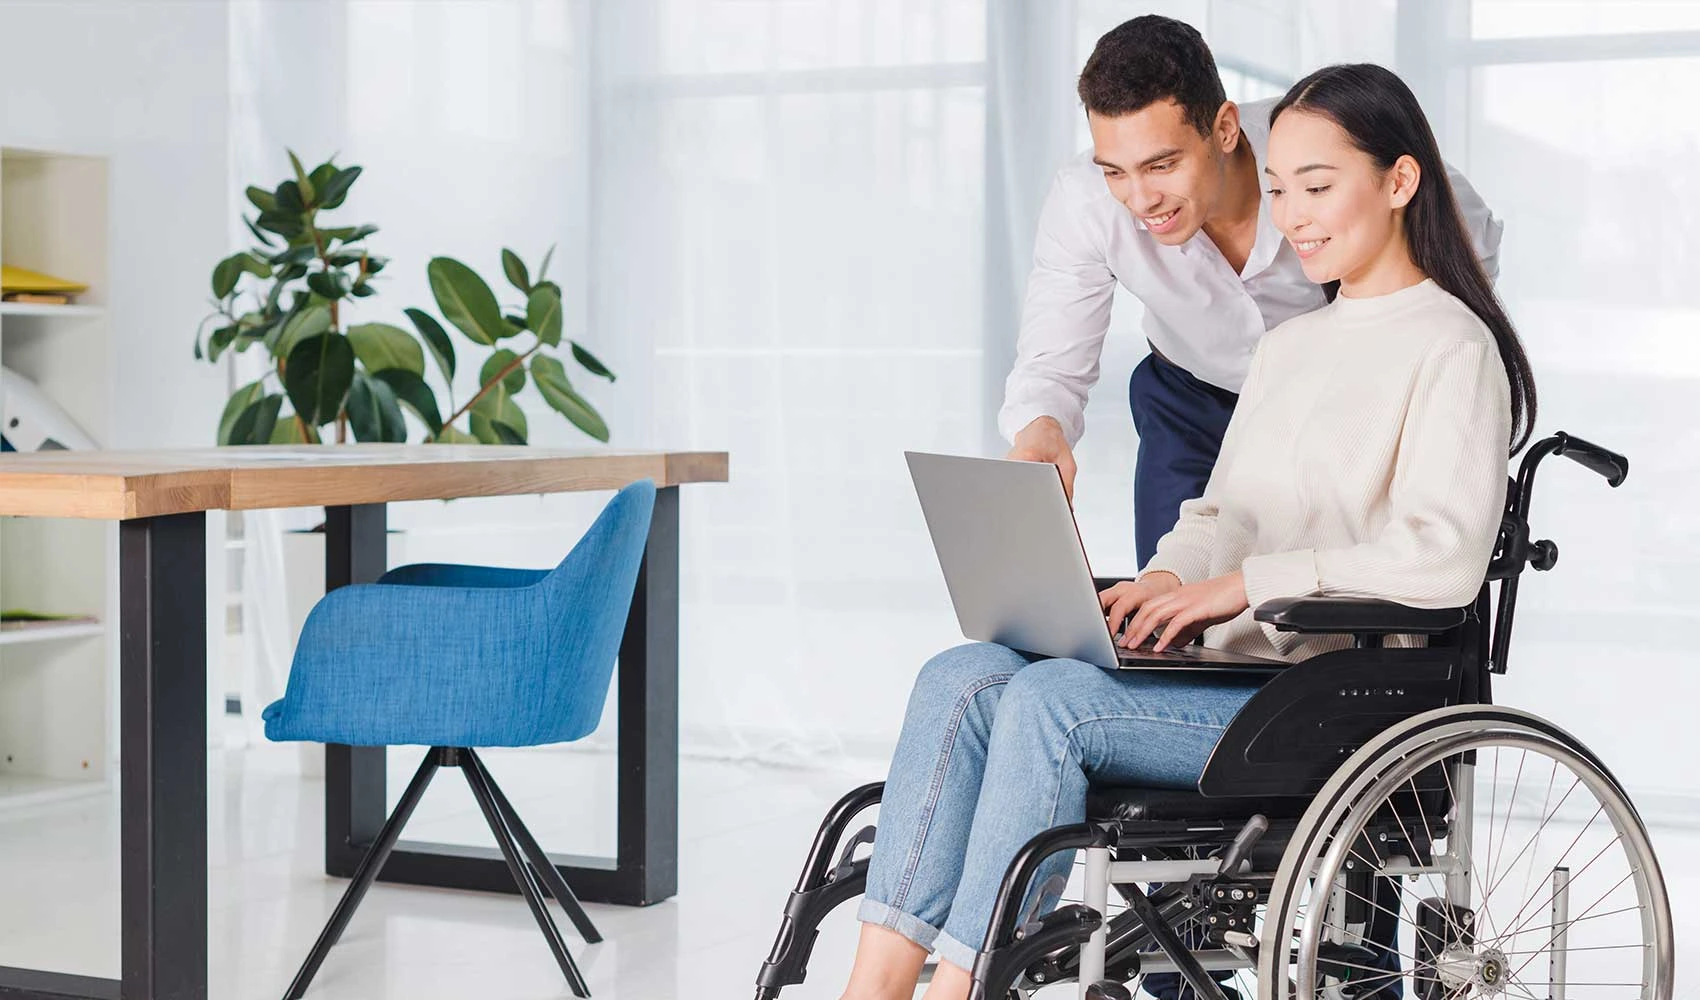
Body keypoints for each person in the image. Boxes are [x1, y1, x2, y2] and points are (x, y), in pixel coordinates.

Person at [836, 61, 1537, 1000]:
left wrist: (1247, 586)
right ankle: (870, 988)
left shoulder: (1454, 346)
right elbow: (1222, 516)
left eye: (1319, 188)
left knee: (1051, 704)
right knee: (961, 676)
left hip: (1331, 699)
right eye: (1282, 189)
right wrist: (1165, 586)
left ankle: (965, 984)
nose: (1292, 216)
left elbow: (1444, 558)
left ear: (1400, 182)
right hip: (1233, 677)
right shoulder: (1289, 348)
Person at [1001, 15, 1502, 569]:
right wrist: (1043, 429)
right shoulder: (1085, 204)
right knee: (1173, 608)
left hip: (1333, 391)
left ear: (1224, 129)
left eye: (1162, 165)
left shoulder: (1314, 145)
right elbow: (1051, 363)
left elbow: (1465, 244)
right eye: (1116, 172)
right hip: (1187, 396)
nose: (1140, 199)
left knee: (1336, 574)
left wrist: (1397, 375)